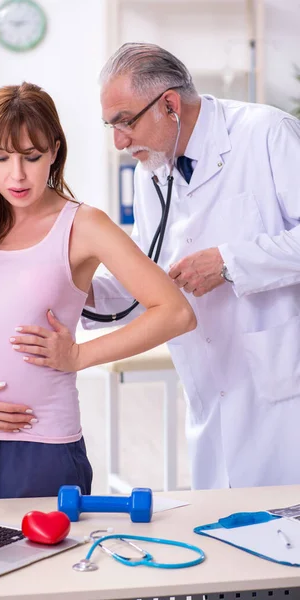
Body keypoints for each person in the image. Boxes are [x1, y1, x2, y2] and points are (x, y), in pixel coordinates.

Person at [0, 81, 196, 500]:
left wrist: (80, 355)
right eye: (1, 158)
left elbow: (175, 312)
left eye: (32, 156)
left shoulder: (84, 225)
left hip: (42, 443)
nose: (17, 174)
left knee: (44, 561)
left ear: (55, 152)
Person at [78, 42, 300, 490]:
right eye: (111, 126)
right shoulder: (152, 173)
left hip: (282, 392)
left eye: (124, 122)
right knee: (225, 537)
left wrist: (230, 261)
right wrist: (84, 294)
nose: (119, 141)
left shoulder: (266, 133)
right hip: (210, 390)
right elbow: (148, 274)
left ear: (170, 105)